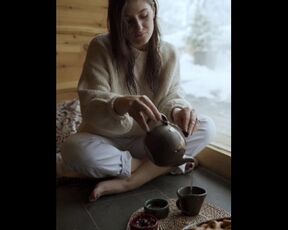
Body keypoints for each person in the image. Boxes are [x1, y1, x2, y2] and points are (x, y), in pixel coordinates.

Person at [60, 0, 216, 202]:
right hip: (107, 139)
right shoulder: (100, 46)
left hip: (150, 141)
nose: (139, 28)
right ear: (117, 22)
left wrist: (178, 110)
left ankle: (131, 181)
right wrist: (120, 104)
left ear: (154, 12)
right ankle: (161, 166)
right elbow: (91, 102)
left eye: (144, 16)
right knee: (73, 149)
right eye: (128, 21)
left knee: (206, 127)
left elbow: (172, 94)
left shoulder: (168, 52)